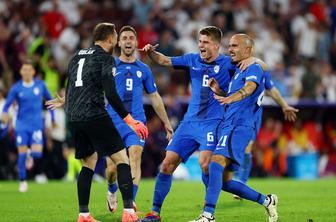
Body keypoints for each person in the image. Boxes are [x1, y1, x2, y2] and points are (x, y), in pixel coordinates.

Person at [140, 26, 265, 222]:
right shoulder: (192, 60)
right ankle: (155, 213)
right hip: (189, 123)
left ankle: (208, 213)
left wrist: (253, 59)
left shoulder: (228, 63)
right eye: (199, 42)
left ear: (216, 45)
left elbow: (260, 68)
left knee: (206, 164)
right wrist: (151, 53)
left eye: (205, 42)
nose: (201, 45)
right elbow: (165, 60)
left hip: (213, 124)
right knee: (166, 164)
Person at [45, 23, 147, 222]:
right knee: (122, 160)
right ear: (110, 39)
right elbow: (110, 92)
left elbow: (74, 85)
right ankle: (129, 213)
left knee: (89, 163)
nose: (117, 40)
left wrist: (65, 100)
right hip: (94, 115)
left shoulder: (76, 56)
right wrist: (130, 120)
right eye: (116, 36)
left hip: (74, 117)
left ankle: (83, 214)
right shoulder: (105, 58)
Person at [190, 34, 279, 222]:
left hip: (239, 126)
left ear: (247, 50)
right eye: (229, 45)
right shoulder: (237, 69)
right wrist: (221, 93)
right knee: (222, 180)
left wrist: (230, 97)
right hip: (227, 124)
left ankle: (208, 215)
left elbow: (249, 88)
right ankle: (267, 200)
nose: (230, 49)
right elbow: (237, 95)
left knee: (215, 162)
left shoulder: (253, 67)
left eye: (235, 46)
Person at [105, 26, 173, 213]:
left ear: (136, 43)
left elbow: (155, 97)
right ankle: (111, 189)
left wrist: (167, 123)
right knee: (112, 169)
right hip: (113, 121)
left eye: (131, 38)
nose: (128, 41)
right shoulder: (110, 66)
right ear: (119, 42)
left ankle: (130, 204)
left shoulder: (144, 69)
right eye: (124, 38)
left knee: (134, 157)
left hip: (136, 122)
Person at [210, 69, 299, 191]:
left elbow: (272, 89)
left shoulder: (259, 70)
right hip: (233, 114)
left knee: (248, 146)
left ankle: (242, 181)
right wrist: (220, 91)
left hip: (251, 116)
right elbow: (231, 94)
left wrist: (284, 105)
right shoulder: (234, 69)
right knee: (226, 149)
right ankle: (230, 181)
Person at [1, 60, 55, 192]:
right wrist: (4, 113)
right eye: (24, 70)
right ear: (21, 72)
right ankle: (22, 181)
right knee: (21, 154)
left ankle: (31, 154)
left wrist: (52, 117)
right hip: (21, 126)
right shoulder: (16, 88)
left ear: (33, 72)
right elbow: (7, 104)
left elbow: (50, 101)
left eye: (28, 70)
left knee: (37, 154)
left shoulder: (40, 85)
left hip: (36, 125)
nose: (26, 72)